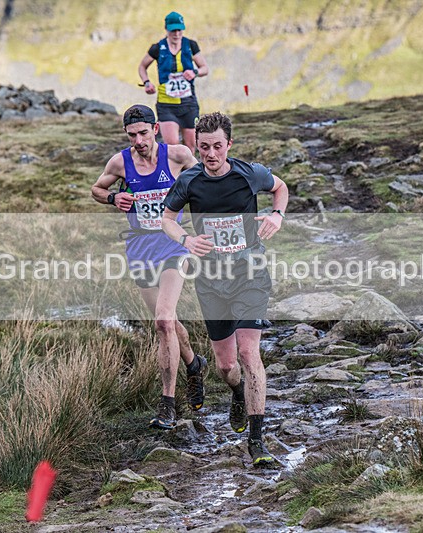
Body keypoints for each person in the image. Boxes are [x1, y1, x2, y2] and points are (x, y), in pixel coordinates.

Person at [161, 112, 289, 467]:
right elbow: (166, 220)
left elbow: (280, 187)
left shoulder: (250, 174)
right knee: (226, 365)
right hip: (211, 282)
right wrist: (186, 239)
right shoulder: (189, 181)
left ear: (229, 145)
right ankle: (237, 392)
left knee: (249, 354)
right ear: (196, 147)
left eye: (218, 146)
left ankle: (257, 441)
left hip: (251, 274)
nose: (211, 154)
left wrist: (277, 214)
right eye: (204, 148)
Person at [92, 104, 207, 430]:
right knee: (167, 322)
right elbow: (97, 189)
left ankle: (167, 404)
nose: (139, 140)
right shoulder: (120, 162)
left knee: (161, 321)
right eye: (132, 135)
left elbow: (203, 183)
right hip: (139, 250)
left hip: (173, 247)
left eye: (143, 133)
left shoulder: (178, 155)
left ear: (155, 129)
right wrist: (115, 199)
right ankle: (194, 364)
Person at [138, 11, 209, 154]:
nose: (176, 34)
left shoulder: (191, 45)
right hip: (166, 104)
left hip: (188, 102)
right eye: (173, 30)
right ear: (167, 29)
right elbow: (142, 67)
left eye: (179, 30)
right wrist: (147, 83)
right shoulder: (157, 48)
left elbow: (205, 68)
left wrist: (194, 72)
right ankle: (174, 176)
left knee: (190, 147)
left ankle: (189, 176)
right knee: (172, 147)